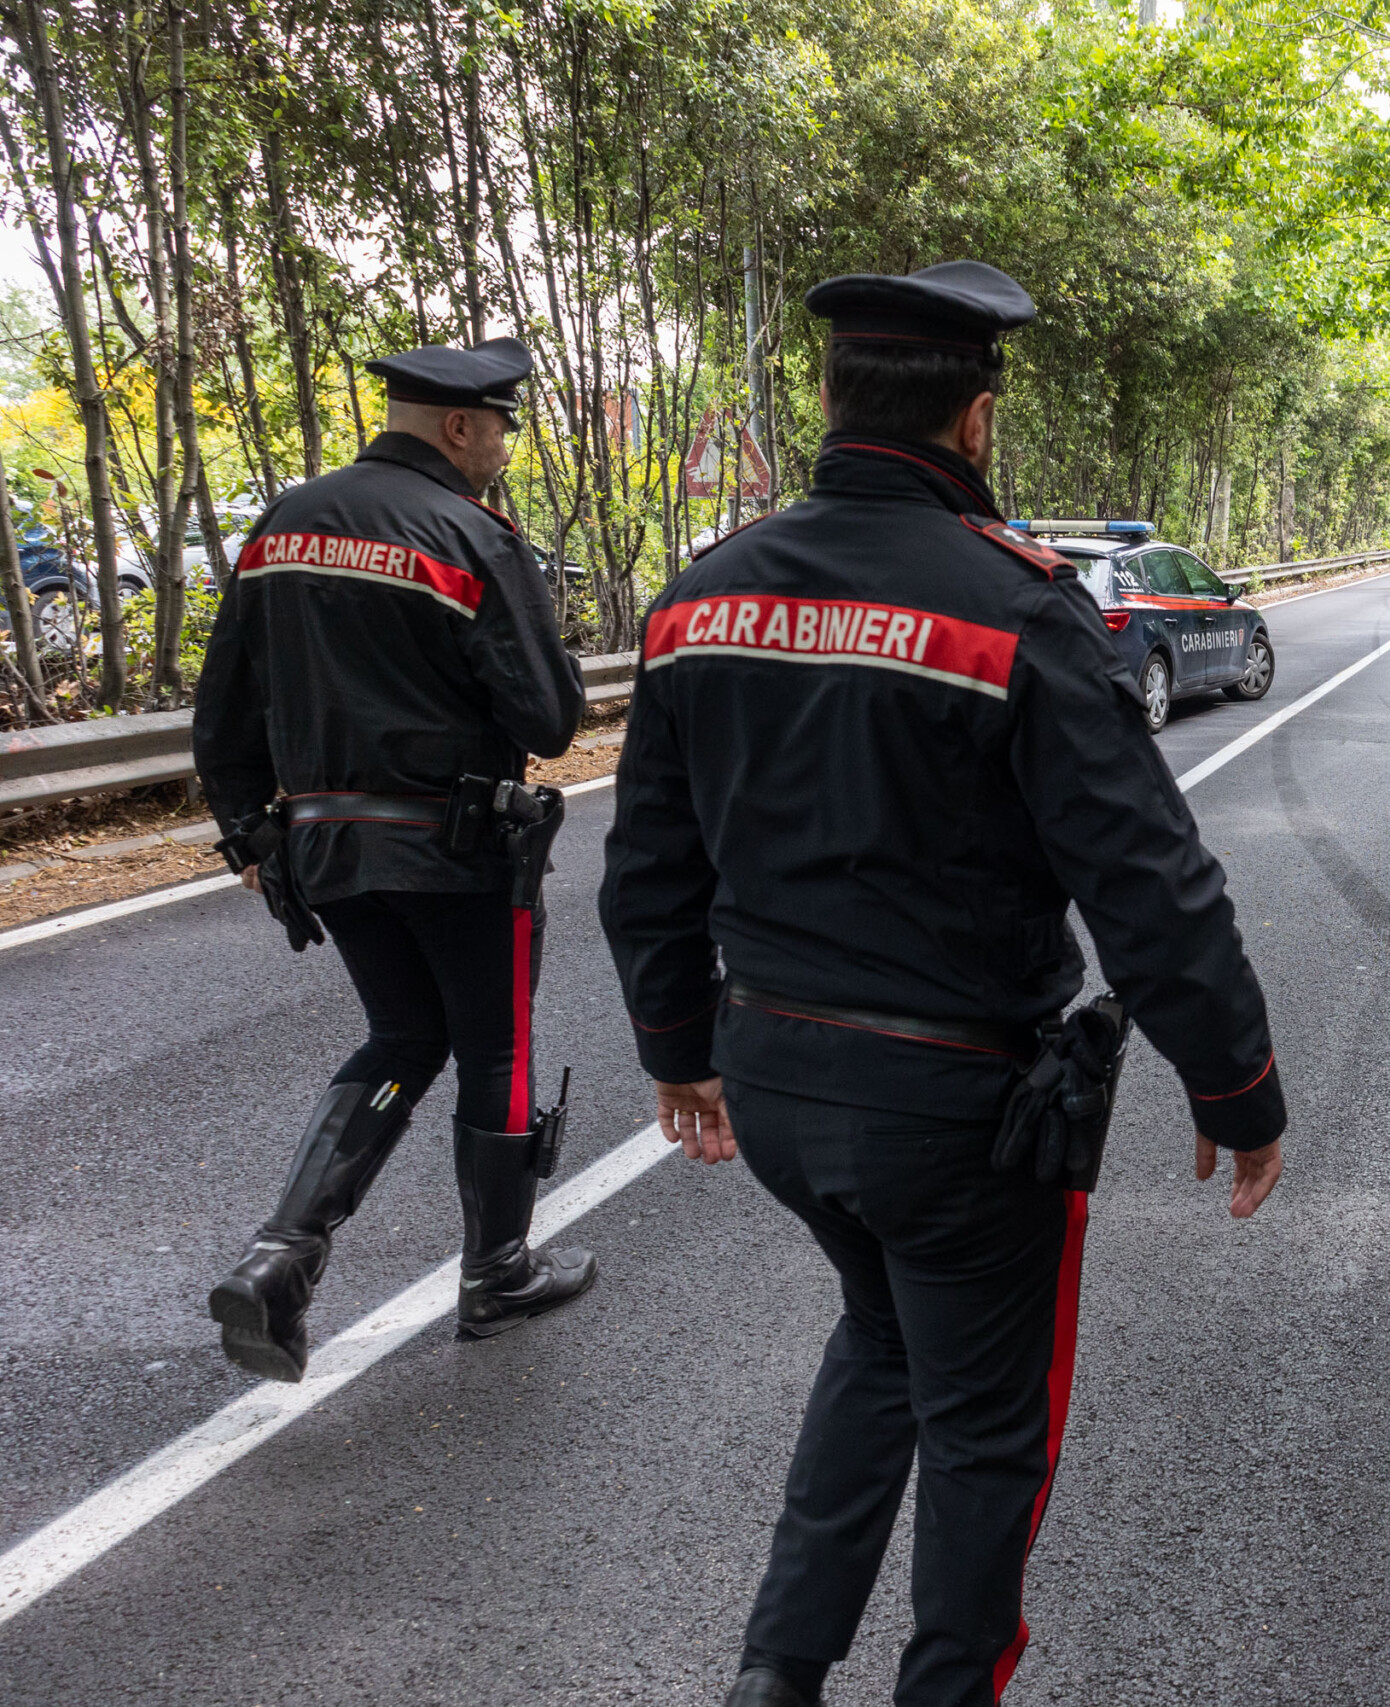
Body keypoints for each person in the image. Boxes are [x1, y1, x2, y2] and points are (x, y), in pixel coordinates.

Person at [597, 260, 1287, 1707]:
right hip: (958, 1110)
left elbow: (649, 859)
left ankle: (775, 1673)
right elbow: (1147, 877)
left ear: (834, 405)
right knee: (985, 1425)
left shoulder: (700, 598)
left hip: (777, 1078)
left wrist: (676, 1048)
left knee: (880, 1339)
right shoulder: (1014, 608)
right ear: (974, 423)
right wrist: (1232, 1079)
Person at [193, 337, 598, 1384]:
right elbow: (548, 718)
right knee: (495, 1047)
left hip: (323, 841)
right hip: (458, 847)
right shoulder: (471, 535)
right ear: (461, 425)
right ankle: (497, 1270)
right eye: (501, 427)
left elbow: (224, 696)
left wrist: (247, 831)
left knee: (401, 1036)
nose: (503, 447)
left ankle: (280, 1255)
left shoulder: (282, 523)